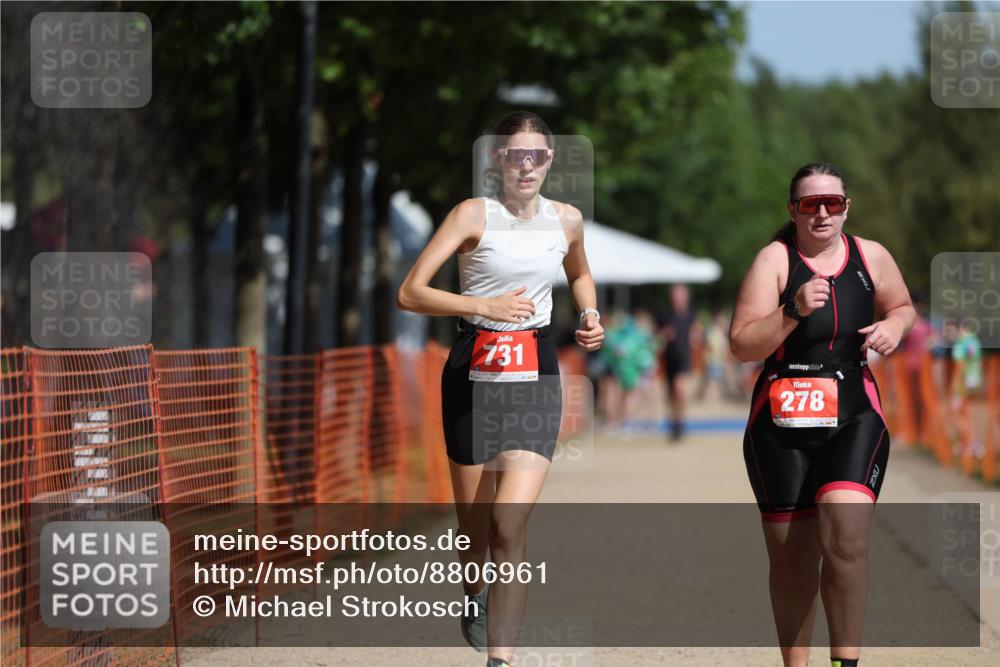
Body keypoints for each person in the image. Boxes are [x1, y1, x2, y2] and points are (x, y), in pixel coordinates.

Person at [396, 110, 603, 667]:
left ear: (551, 159)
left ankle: (501, 659)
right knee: (474, 533)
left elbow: (579, 271)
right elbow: (410, 292)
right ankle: (472, 593)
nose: (528, 165)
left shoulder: (566, 220)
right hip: (473, 368)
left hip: (534, 369)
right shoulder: (471, 215)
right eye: (517, 154)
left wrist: (588, 312)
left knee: (509, 526)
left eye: (538, 154)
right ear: (498, 160)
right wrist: (480, 305)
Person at [729, 162, 915, 667]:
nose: (823, 213)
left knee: (846, 539)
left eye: (833, 203)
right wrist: (792, 310)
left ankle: (845, 663)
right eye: (810, 204)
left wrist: (895, 327)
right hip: (780, 427)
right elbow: (743, 345)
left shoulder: (869, 255)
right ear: (793, 210)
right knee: (791, 562)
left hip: (853, 416)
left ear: (847, 207)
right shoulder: (774, 259)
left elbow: (902, 306)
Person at [658, 284, 697, 441]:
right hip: (669, 358)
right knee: (671, 394)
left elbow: (696, 334)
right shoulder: (665, 315)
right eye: (675, 295)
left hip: (684, 357)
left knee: (680, 389)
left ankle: (680, 423)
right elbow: (657, 336)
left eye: (680, 295)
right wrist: (664, 335)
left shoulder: (691, 315)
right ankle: (674, 423)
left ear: (685, 297)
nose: (678, 298)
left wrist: (696, 338)